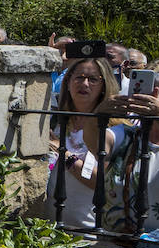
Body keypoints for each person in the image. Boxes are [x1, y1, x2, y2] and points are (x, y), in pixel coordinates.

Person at [102, 70, 159, 237]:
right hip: (117, 244)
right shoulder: (126, 134)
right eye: (153, 93)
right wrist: (98, 115)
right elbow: (95, 143)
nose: (158, 99)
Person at [47, 54, 118, 230]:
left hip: (88, 231)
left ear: (104, 85)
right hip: (48, 229)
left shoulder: (114, 130)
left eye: (93, 79)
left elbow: (101, 183)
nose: (84, 84)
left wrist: (64, 153)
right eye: (79, 77)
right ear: (68, 81)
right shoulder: (54, 121)